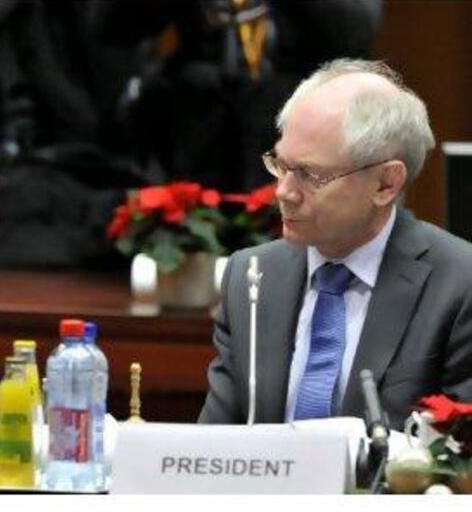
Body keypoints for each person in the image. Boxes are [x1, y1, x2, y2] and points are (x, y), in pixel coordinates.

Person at [199, 59, 472, 430]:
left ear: (385, 184)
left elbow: (456, 462)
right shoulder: (252, 275)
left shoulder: (460, 285)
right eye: (281, 164)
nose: (283, 191)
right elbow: (215, 443)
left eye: (310, 175)